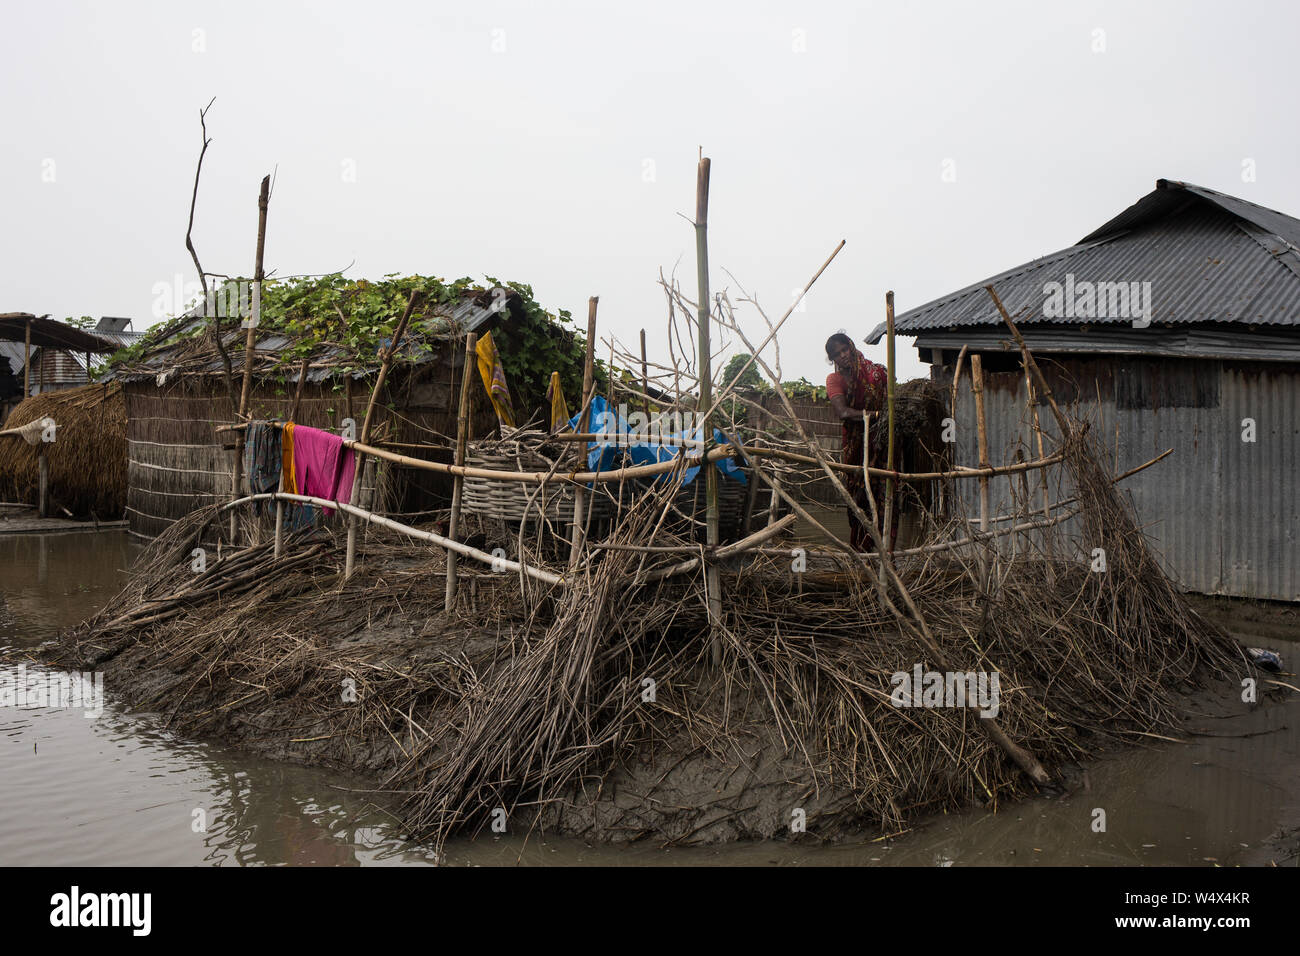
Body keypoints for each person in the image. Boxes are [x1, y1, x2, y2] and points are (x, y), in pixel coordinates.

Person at [825, 332, 893, 551]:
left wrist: (886, 419)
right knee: (858, 500)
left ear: (851, 347)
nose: (843, 356)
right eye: (837, 355)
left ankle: (886, 555)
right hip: (857, 449)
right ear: (833, 360)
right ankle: (862, 552)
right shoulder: (835, 379)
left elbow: (891, 402)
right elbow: (843, 412)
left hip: (884, 446)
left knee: (888, 497)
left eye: (845, 350)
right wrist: (876, 416)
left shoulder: (877, 373)